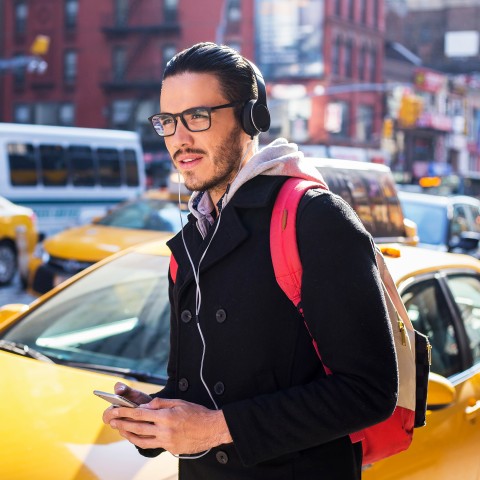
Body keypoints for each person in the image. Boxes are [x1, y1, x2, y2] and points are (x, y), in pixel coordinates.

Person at [102, 42, 398, 480]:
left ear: (250, 118)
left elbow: (370, 391)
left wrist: (215, 430)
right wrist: (158, 419)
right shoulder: (193, 236)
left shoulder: (314, 218)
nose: (179, 139)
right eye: (167, 121)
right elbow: (206, 384)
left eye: (197, 117)